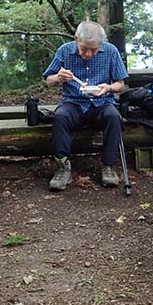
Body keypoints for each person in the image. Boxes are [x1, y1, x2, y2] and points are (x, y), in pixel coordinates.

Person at [43, 21, 129, 191]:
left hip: (102, 103)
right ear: (76, 39)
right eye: (84, 49)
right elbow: (48, 80)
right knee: (60, 117)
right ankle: (62, 166)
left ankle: (109, 166)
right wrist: (58, 77)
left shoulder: (110, 51)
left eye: (94, 50)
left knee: (113, 116)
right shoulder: (64, 51)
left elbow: (121, 84)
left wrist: (109, 88)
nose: (89, 54)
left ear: (101, 44)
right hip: (73, 103)